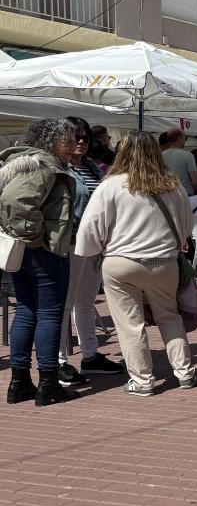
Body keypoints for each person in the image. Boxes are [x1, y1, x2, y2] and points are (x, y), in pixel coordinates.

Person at [74, 131, 196, 397]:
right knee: (169, 316)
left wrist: (93, 253)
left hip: (121, 262)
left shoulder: (111, 184)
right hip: (164, 262)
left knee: (130, 323)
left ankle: (142, 380)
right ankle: (184, 371)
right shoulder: (172, 184)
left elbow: (90, 229)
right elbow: (186, 226)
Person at [1, 119, 78, 406]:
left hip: (23, 250)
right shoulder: (42, 164)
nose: (72, 147)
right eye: (67, 142)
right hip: (42, 250)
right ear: (51, 141)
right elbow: (16, 201)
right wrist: (37, 236)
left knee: (26, 311)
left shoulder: (21, 161)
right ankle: (48, 383)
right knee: (48, 314)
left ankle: (19, 382)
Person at [57, 116, 124, 387]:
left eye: (85, 137)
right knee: (64, 304)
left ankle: (90, 355)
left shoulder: (95, 168)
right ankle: (59, 361)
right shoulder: (59, 170)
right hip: (70, 242)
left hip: (95, 244)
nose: (81, 142)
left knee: (86, 301)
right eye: (76, 136)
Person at [158, 128, 197, 196]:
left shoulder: (160, 156)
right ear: (179, 139)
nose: (185, 141)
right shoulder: (188, 155)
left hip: (167, 194)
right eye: (185, 138)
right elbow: (195, 180)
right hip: (185, 194)